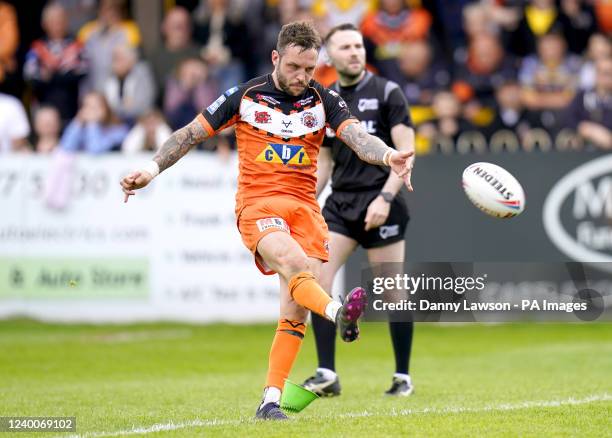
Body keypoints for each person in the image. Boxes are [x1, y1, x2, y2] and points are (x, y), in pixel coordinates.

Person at [120, 21, 413, 420]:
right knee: (293, 264)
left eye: (310, 69)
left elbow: (359, 138)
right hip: (259, 206)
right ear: (276, 57)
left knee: (294, 311)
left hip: (305, 210)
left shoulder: (323, 100)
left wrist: (387, 156)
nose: (302, 77)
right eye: (295, 67)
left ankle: (270, 401)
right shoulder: (245, 96)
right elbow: (188, 135)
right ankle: (337, 312)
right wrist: (150, 171)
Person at [299, 23, 416, 398]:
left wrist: (385, 198)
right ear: (329, 57)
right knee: (317, 281)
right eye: (345, 47)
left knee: (392, 291)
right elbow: (324, 163)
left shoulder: (387, 92)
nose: (355, 52)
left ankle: (402, 377)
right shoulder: (327, 99)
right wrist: (305, 203)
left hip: (381, 198)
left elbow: (406, 153)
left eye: (359, 46)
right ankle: (326, 373)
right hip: (342, 203)